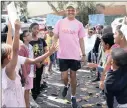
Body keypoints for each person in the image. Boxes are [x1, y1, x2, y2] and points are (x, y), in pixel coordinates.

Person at [53, 3, 86, 108]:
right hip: (62, 54)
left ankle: (73, 96)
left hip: (75, 55)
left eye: (72, 10)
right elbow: (55, 36)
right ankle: (66, 85)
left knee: (73, 76)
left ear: (76, 11)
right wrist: (54, 45)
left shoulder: (79, 24)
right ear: (65, 11)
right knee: (64, 77)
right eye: (69, 10)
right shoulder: (60, 22)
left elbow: (81, 40)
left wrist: (83, 54)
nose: (70, 12)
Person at [29, 23, 48, 99]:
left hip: (41, 62)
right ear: (31, 29)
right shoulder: (28, 40)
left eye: (38, 28)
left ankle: (37, 91)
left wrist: (42, 61)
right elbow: (28, 53)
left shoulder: (41, 40)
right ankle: (33, 93)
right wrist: (36, 62)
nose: (37, 30)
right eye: (34, 28)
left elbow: (46, 50)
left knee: (39, 77)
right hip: (32, 64)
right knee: (32, 78)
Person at [19, 30, 35, 108]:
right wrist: (24, 75)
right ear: (24, 38)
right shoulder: (22, 48)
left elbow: (32, 59)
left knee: (28, 91)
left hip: (30, 72)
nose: (30, 35)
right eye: (28, 35)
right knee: (25, 91)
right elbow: (22, 64)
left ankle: (27, 105)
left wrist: (33, 70)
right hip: (26, 73)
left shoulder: (30, 46)